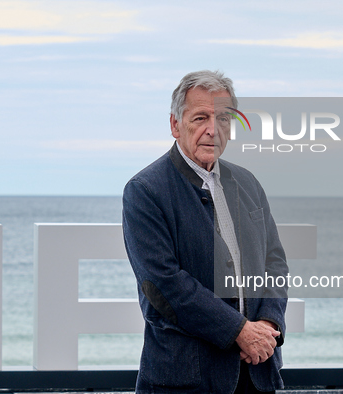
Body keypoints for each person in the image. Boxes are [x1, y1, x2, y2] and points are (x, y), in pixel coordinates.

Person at [122, 70, 288, 393]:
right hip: (185, 381)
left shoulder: (249, 184)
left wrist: (268, 324)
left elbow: (276, 263)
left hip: (256, 376)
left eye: (224, 119)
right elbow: (164, 287)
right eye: (200, 118)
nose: (213, 130)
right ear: (175, 125)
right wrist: (240, 331)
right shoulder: (145, 191)